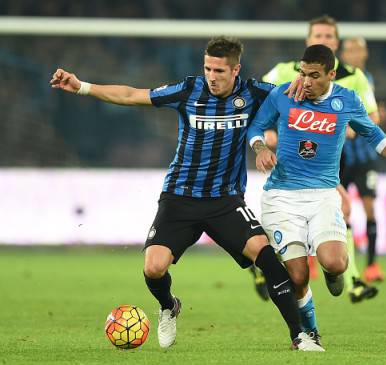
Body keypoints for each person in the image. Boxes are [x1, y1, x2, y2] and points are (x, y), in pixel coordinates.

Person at [50, 36, 323, 352]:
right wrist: (81, 86)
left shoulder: (255, 93)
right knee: (153, 268)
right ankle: (169, 305)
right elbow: (132, 95)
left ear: (236, 70)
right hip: (179, 197)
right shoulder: (188, 90)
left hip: (225, 201)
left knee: (269, 260)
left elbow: (292, 94)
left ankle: (299, 336)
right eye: (207, 68)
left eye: (219, 70)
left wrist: (307, 82)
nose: (211, 76)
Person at [248, 44, 386, 344]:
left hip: (324, 194)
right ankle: (310, 333)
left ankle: (334, 273)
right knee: (299, 275)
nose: (306, 82)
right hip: (282, 195)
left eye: (314, 76)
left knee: (335, 262)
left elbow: (373, 133)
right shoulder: (282, 95)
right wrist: (261, 148)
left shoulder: (346, 100)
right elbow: (255, 126)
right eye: (303, 74)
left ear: (331, 74)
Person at [252, 15, 380, 308]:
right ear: (308, 41)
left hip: (340, 158)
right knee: (313, 214)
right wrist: (267, 137)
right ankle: (346, 279)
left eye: (329, 37)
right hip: (291, 162)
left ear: (337, 44)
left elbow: (373, 117)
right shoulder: (285, 71)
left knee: (341, 213)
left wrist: (349, 127)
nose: (324, 41)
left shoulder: (355, 77)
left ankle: (345, 276)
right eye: (318, 36)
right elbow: (259, 103)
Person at [340, 37, 386, 282]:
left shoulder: (367, 79)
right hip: (341, 158)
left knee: (369, 208)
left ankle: (371, 265)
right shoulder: (337, 77)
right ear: (343, 54)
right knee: (339, 210)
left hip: (366, 156)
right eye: (350, 50)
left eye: (359, 49)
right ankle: (340, 264)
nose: (355, 54)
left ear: (365, 54)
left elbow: (374, 116)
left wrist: (369, 121)